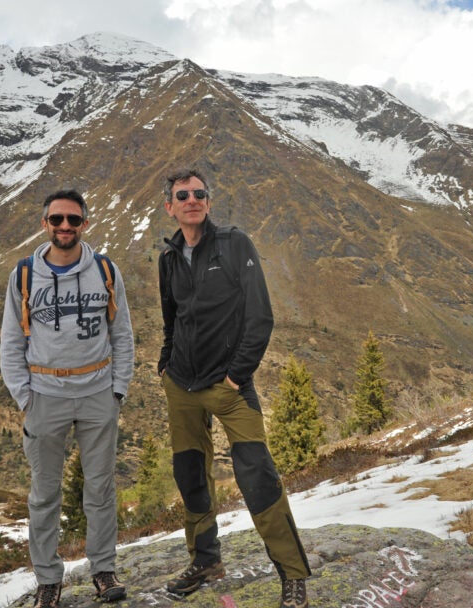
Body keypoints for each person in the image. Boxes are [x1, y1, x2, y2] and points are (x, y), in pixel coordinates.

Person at [157, 168, 312, 608]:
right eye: (182, 195)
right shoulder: (169, 259)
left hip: (228, 386)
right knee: (190, 476)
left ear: (208, 202)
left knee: (257, 475)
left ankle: (293, 576)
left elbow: (260, 316)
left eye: (200, 193)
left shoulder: (233, 244)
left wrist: (236, 376)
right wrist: (165, 365)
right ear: (170, 206)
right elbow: (173, 319)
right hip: (181, 385)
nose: (192, 200)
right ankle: (205, 562)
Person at [0, 189, 134, 607]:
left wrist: (118, 391)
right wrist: (26, 398)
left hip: (98, 393)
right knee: (44, 494)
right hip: (44, 395)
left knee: (100, 489)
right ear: (45, 223)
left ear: (85, 224)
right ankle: (48, 579)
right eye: (56, 219)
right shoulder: (23, 275)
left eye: (73, 220)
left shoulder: (106, 270)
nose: (64, 227)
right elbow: (9, 342)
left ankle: (103, 570)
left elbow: (123, 334)